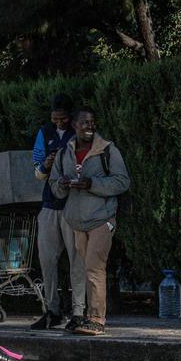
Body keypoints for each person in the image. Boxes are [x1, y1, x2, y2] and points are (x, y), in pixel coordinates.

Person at [49, 108, 131, 335]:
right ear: (74, 125)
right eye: (84, 123)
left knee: (95, 267)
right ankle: (88, 317)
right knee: (86, 270)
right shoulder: (65, 153)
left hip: (101, 219)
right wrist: (63, 185)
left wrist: (91, 183)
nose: (90, 126)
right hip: (77, 222)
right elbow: (54, 187)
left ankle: (96, 320)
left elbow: (122, 182)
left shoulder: (107, 150)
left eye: (92, 123)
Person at [30, 94, 76, 329]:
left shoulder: (77, 132)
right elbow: (37, 171)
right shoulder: (45, 132)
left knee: (76, 259)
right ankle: (52, 308)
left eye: (63, 118)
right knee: (47, 260)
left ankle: (78, 309)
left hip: (71, 205)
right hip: (49, 203)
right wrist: (46, 165)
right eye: (55, 118)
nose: (59, 123)